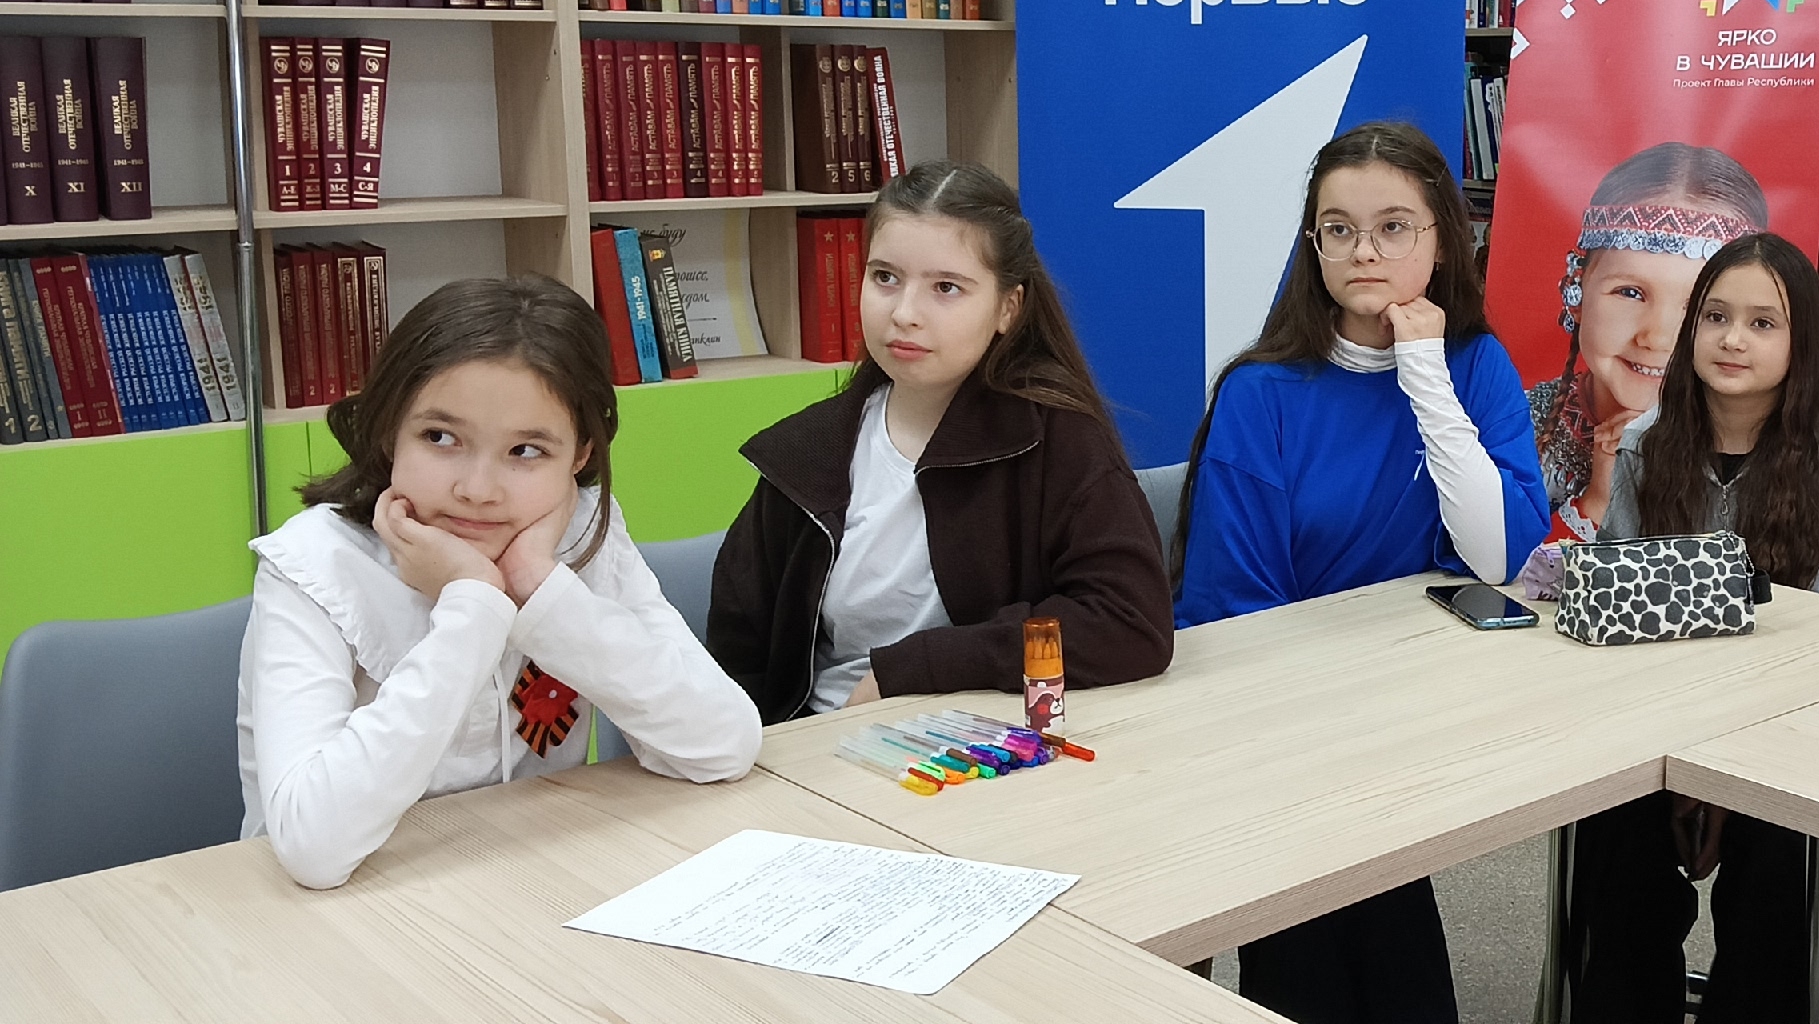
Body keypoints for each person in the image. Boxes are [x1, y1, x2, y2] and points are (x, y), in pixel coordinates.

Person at [1171, 121, 1548, 1024]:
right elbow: (1234, 609)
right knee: (1325, 927)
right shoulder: (1262, 392)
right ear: (1314, 246)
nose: (1363, 251)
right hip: (1281, 720)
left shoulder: (1472, 366)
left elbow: (1498, 555)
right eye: (1338, 230)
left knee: (1379, 912)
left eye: (1392, 228)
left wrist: (1422, 369)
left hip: (1412, 709)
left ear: (1442, 242)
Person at [238, 276, 762, 891]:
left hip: (527, 880)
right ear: (388, 429)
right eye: (440, 438)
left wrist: (540, 588)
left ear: (580, 455)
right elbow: (313, 848)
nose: (478, 489)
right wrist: (474, 605)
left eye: (526, 451)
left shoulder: (579, 532)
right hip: (344, 910)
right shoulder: (311, 564)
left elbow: (722, 745)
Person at [706, 160, 1173, 722]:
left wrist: (916, 667)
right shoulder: (803, 455)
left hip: (994, 742)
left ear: (1007, 307)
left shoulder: (1058, 440)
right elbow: (735, 668)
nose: (904, 314)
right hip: (826, 739)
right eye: (885, 277)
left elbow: (1130, 623)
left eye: (946, 288)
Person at [1560, 232, 1819, 1022]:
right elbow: (1621, 617)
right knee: (1614, 831)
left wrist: (1730, 781)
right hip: (1658, 722)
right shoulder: (1647, 442)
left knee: (1780, 857)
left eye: (1762, 323)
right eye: (1715, 317)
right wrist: (1678, 768)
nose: (1733, 339)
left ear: (1802, 343)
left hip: (1789, 729)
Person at [1526, 142, 1770, 540]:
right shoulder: (1516, 427)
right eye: (1630, 293)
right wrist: (1599, 500)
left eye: (1700, 307)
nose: (1656, 338)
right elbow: (1499, 569)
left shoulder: (1764, 449)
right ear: (1577, 292)